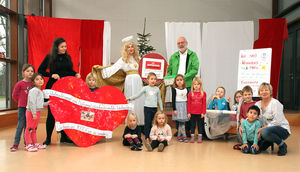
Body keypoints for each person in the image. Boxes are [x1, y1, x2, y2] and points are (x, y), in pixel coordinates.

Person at [38, 37, 81, 145]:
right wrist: (51, 75)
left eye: (65, 46)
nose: (65, 48)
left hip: (66, 88)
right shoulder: (50, 57)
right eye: (62, 46)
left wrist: (75, 73)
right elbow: (40, 70)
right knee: (51, 114)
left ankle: (64, 137)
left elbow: (69, 70)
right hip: (54, 87)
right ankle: (48, 138)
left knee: (66, 113)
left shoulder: (68, 57)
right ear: (56, 47)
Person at [101, 41, 145, 128]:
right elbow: (113, 68)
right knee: (130, 99)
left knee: (139, 100)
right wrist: (102, 72)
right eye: (128, 47)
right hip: (129, 81)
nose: (131, 48)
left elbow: (145, 68)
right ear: (126, 49)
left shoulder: (138, 58)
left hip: (138, 81)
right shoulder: (123, 59)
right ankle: (130, 123)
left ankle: (140, 123)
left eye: (132, 47)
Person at [167, 37, 199, 136]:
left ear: (186, 43)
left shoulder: (192, 55)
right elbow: (169, 70)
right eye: (178, 43)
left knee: (188, 107)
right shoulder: (173, 56)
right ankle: (179, 129)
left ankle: (188, 129)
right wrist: (168, 79)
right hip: (175, 85)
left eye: (182, 42)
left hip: (188, 85)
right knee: (176, 106)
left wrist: (183, 78)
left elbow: (195, 69)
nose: (180, 44)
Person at [255, 82, 290, 156]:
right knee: (260, 136)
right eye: (262, 90)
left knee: (264, 132)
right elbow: (255, 119)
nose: (264, 92)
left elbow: (278, 121)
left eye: (266, 90)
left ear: (270, 92)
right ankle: (268, 140)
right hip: (266, 129)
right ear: (259, 93)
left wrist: (263, 129)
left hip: (282, 129)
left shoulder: (275, 103)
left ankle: (282, 145)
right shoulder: (257, 104)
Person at [126, 72, 163, 142]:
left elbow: (159, 99)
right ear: (148, 80)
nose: (153, 80)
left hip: (154, 108)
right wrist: (130, 98)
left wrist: (161, 109)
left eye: (155, 79)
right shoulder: (145, 88)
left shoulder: (157, 89)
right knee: (147, 123)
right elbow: (138, 94)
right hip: (147, 108)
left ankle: (153, 136)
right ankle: (147, 137)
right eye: (151, 79)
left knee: (154, 123)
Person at [10, 64, 34, 151]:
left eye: (32, 71)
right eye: (28, 71)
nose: (30, 73)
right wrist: (20, 102)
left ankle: (27, 143)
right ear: (23, 72)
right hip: (22, 107)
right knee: (20, 125)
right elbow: (14, 95)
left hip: (30, 108)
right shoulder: (19, 84)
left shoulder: (33, 84)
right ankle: (15, 143)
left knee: (28, 126)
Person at [24, 73, 49, 152]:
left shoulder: (40, 91)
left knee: (34, 128)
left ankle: (35, 143)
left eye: (41, 79)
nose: (40, 81)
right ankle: (28, 144)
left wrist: (47, 103)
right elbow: (32, 102)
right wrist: (33, 113)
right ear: (33, 82)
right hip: (31, 112)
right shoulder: (33, 91)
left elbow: (39, 104)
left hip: (37, 112)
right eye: (37, 79)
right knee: (29, 128)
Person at [187, 77, 206, 143]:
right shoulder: (190, 93)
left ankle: (200, 137)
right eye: (195, 84)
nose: (196, 86)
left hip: (200, 113)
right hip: (192, 113)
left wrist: (203, 112)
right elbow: (188, 104)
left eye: (198, 84)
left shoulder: (203, 93)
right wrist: (188, 112)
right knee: (193, 125)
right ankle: (192, 137)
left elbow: (204, 104)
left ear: (200, 85)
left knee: (200, 125)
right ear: (193, 85)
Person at [171, 74, 189, 142]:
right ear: (175, 81)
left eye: (181, 80)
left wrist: (188, 110)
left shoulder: (186, 89)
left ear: (183, 81)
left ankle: (179, 135)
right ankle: (183, 135)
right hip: (178, 106)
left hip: (184, 106)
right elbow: (173, 100)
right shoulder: (174, 89)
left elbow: (187, 100)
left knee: (182, 122)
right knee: (181, 122)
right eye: (177, 80)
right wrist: (174, 109)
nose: (179, 81)